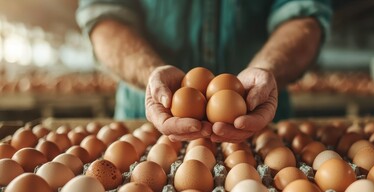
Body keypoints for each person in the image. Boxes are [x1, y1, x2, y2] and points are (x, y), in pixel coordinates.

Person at [76, 0, 332, 143]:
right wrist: (151, 73)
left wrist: (267, 68)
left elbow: (305, 14)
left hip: (260, 121)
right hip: (146, 127)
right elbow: (103, 17)